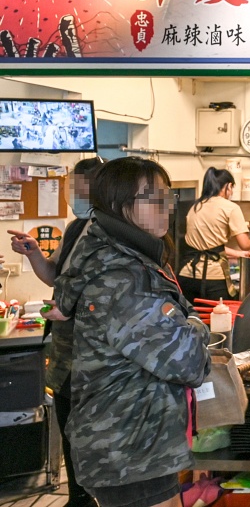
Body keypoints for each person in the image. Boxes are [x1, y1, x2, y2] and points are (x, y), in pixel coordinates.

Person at [53, 157, 211, 507]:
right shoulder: (124, 280)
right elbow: (189, 361)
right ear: (119, 206)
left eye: (166, 197)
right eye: (152, 198)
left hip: (136, 443)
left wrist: (184, 324)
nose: (165, 208)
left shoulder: (127, 258)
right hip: (130, 448)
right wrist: (197, 327)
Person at [8, 156, 105, 507]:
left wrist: (74, 311)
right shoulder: (76, 227)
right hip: (65, 356)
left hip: (96, 358)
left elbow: (113, 297)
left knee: (92, 435)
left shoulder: (113, 234)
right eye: (70, 187)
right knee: (69, 430)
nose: (73, 195)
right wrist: (34, 254)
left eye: (80, 188)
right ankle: (79, 498)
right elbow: (55, 277)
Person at [178, 167, 250, 303]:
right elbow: (244, 244)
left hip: (187, 275)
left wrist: (236, 253)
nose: (232, 192)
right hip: (214, 279)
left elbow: (208, 246)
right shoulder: (230, 207)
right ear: (227, 186)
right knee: (218, 322)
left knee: (191, 320)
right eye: (232, 188)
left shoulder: (195, 206)